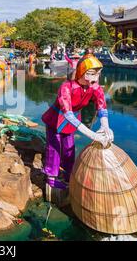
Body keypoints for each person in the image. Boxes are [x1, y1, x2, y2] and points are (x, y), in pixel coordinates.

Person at [41, 54, 114, 190]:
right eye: (91, 74)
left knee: (69, 148)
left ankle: (69, 173)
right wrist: (92, 135)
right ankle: (50, 177)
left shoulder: (95, 88)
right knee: (54, 147)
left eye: (97, 74)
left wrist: (105, 126)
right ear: (81, 72)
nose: (95, 78)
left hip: (72, 120)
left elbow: (102, 106)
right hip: (56, 119)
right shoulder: (66, 87)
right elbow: (67, 112)